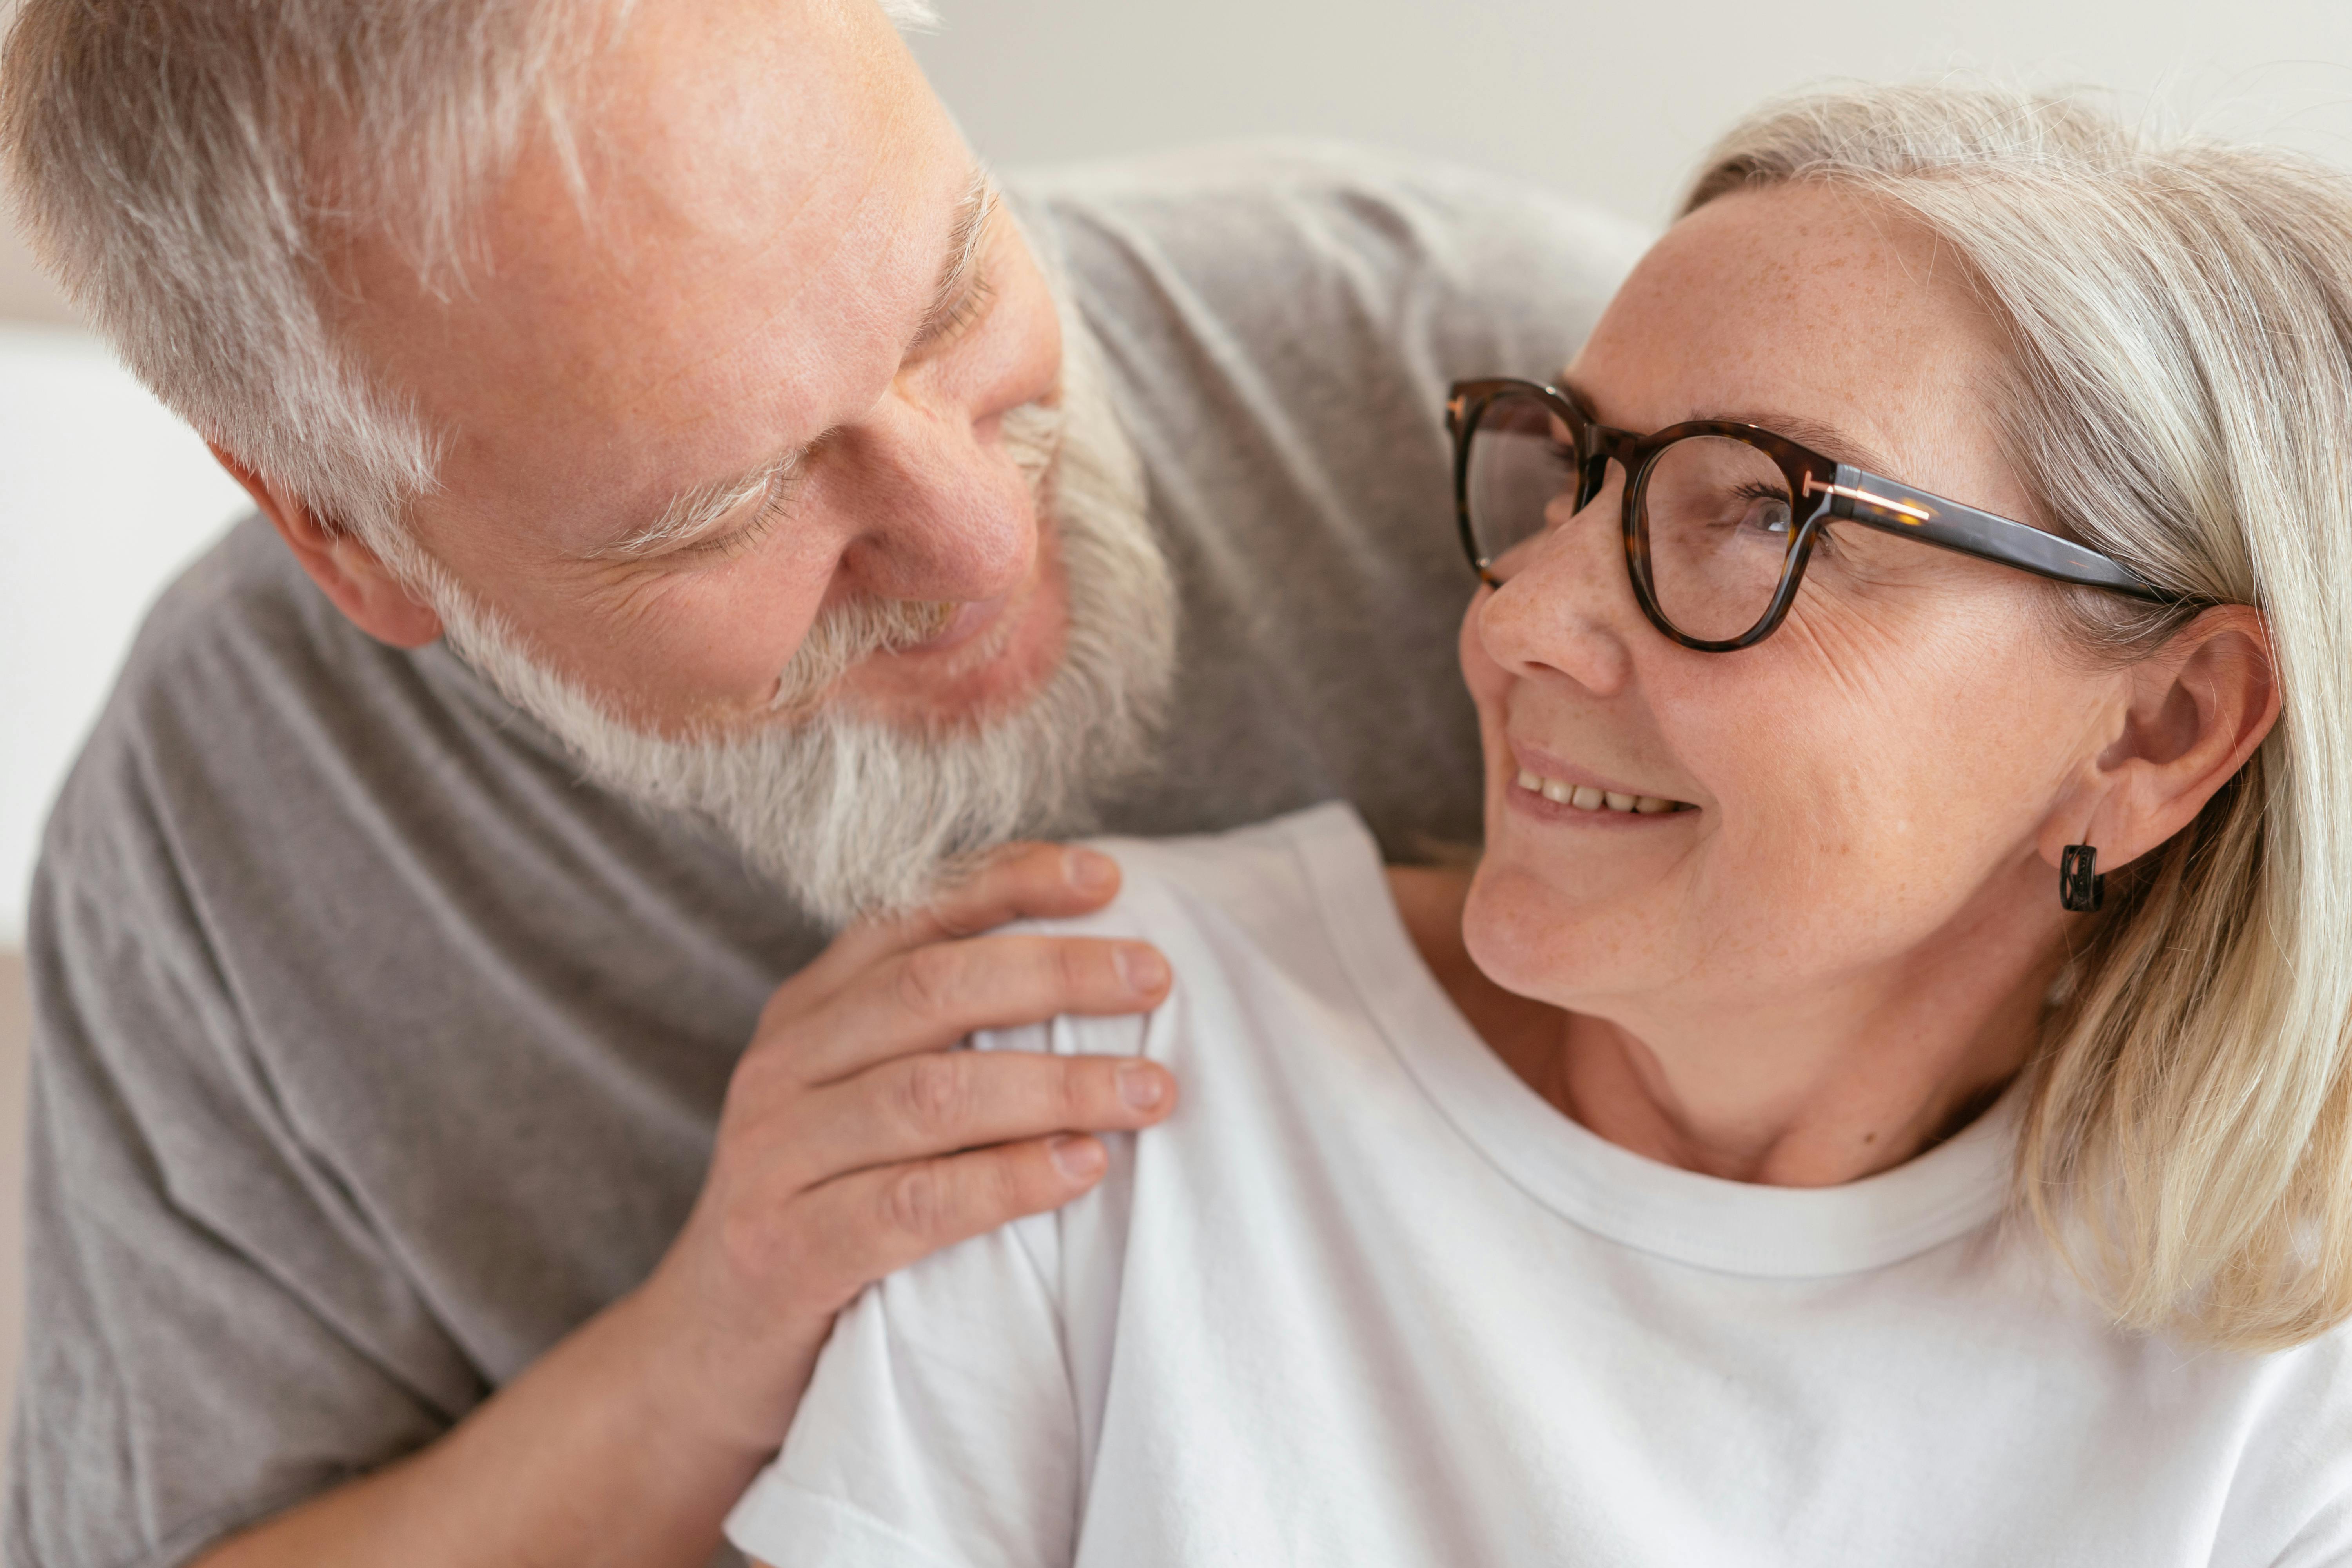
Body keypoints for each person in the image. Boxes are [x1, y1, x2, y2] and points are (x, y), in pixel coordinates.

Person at [0, 2, 1643, 1565]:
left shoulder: (1515, 407)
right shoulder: (213, 838)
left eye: (951, 298)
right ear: (346, 539)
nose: (986, 539)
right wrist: (705, 1351)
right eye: (727, 505)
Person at [726, 83, 2352, 1567]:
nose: (1517, 621)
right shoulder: (1110, 1048)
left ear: (2160, 728)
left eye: (1768, 510)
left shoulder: (2275, 1378)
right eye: (1579, 471)